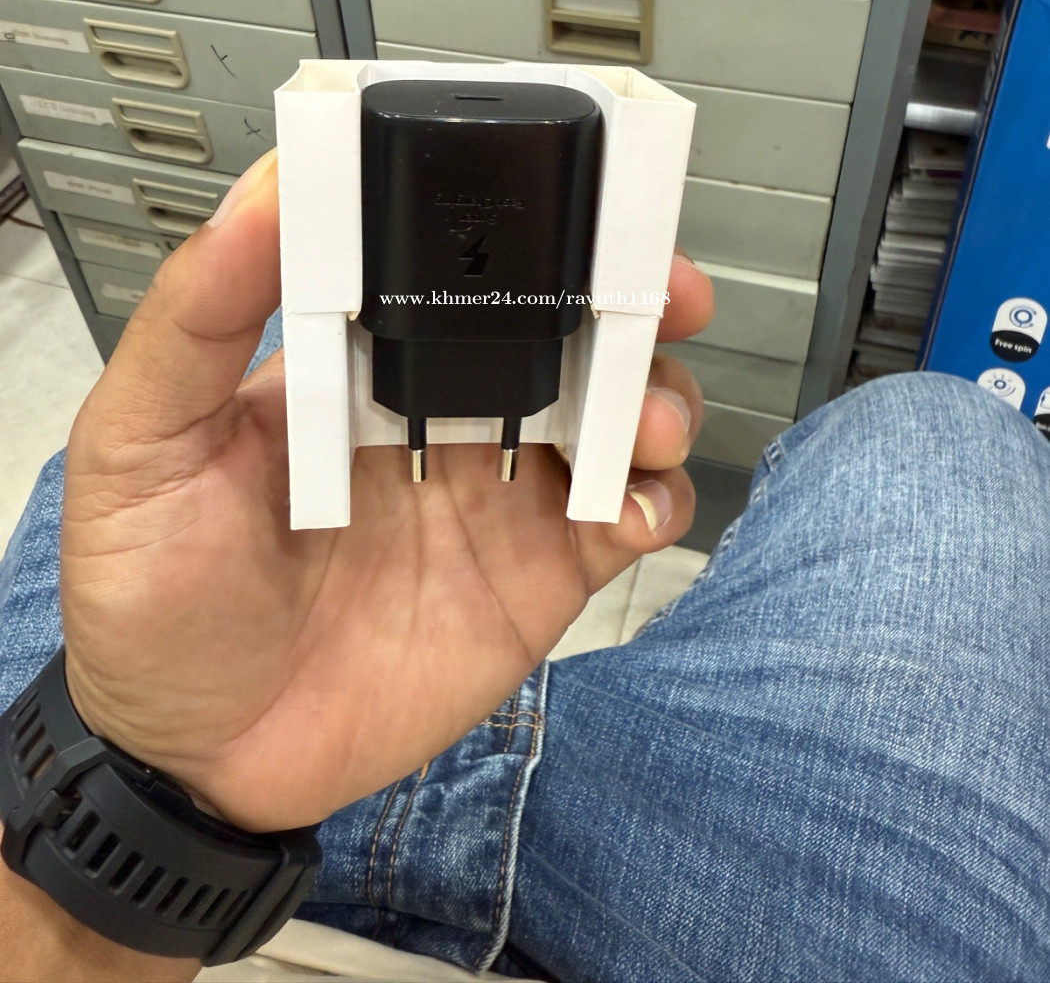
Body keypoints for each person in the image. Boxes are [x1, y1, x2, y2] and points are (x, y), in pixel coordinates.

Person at [1, 150, 1048, 983]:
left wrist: (147, 814)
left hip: (108, 787)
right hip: (213, 810)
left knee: (322, 332)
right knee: (942, 427)